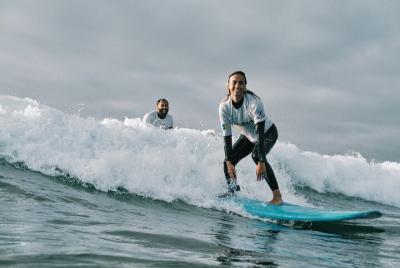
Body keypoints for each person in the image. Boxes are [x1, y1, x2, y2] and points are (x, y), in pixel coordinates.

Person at [219, 71, 283, 204]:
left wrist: (261, 161)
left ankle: (277, 196)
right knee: (227, 162)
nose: (237, 86)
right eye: (234, 83)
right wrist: (229, 160)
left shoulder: (254, 103)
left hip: (267, 132)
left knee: (256, 155)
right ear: (228, 85)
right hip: (248, 136)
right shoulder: (224, 107)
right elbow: (227, 136)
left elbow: (259, 132)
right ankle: (233, 192)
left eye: (241, 83)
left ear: (245, 86)